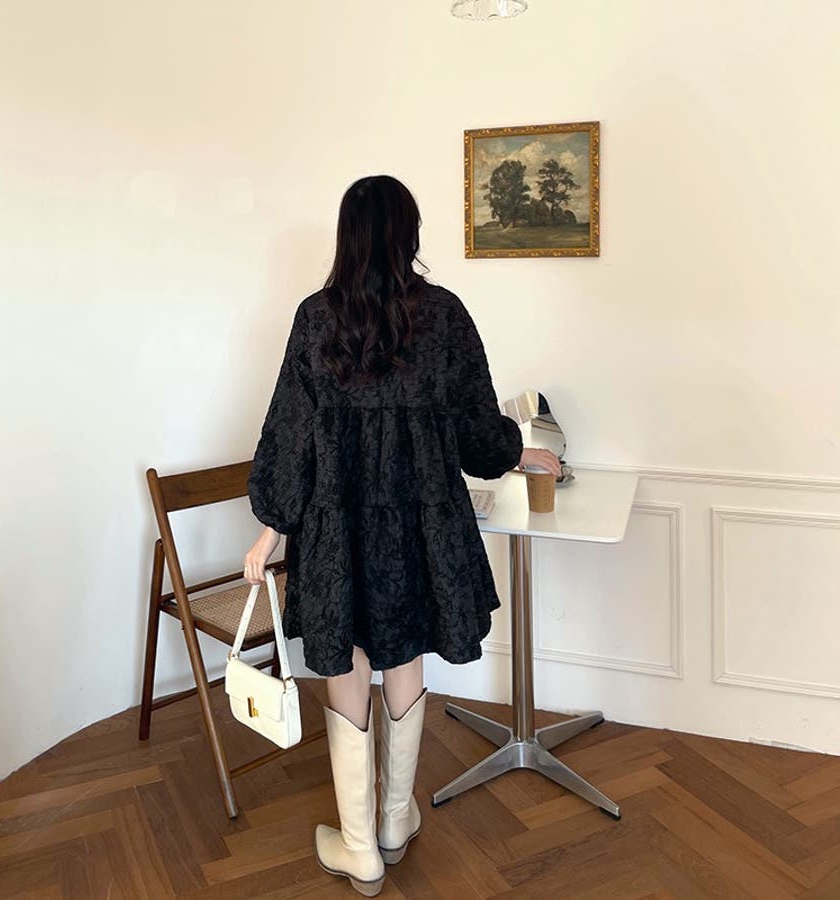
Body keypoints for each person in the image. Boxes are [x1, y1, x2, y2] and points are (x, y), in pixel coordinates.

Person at [243, 175, 561, 896]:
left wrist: (270, 531)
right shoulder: (443, 315)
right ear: (409, 233)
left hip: (337, 528)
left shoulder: (315, 318)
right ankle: (393, 822)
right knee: (406, 652)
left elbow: (289, 437)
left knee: (348, 658)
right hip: (422, 525)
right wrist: (520, 450)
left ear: (346, 236)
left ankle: (360, 846)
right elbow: (476, 430)